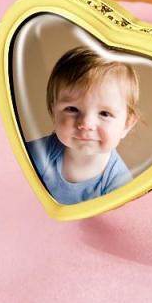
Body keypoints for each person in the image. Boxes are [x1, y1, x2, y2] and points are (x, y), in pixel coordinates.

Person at [25, 46, 139, 204]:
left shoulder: (119, 183)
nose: (86, 124)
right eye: (72, 109)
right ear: (53, 111)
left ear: (126, 125)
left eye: (104, 113)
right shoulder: (37, 153)